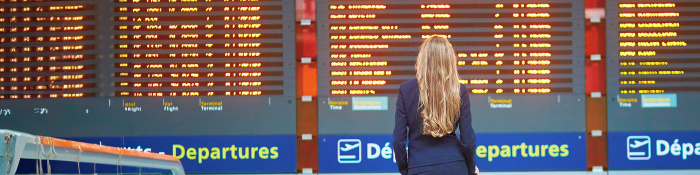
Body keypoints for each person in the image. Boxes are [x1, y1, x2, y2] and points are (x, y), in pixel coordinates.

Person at [392, 36, 476, 175]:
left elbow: (398, 142)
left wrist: (406, 170)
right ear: (450, 60)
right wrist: (470, 169)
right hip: (455, 167)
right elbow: (468, 141)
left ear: (422, 59)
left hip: (419, 167)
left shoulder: (405, 90)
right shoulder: (459, 90)